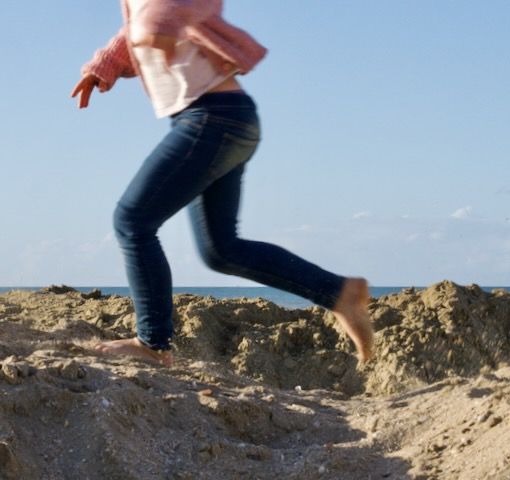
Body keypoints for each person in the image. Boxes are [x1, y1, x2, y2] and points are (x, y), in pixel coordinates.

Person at [71, 0, 374, 367]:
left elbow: (176, 8)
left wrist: (158, 25)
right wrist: (104, 66)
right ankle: (340, 292)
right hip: (221, 119)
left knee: (132, 220)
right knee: (220, 250)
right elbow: (134, 27)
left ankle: (152, 343)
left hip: (213, 119)